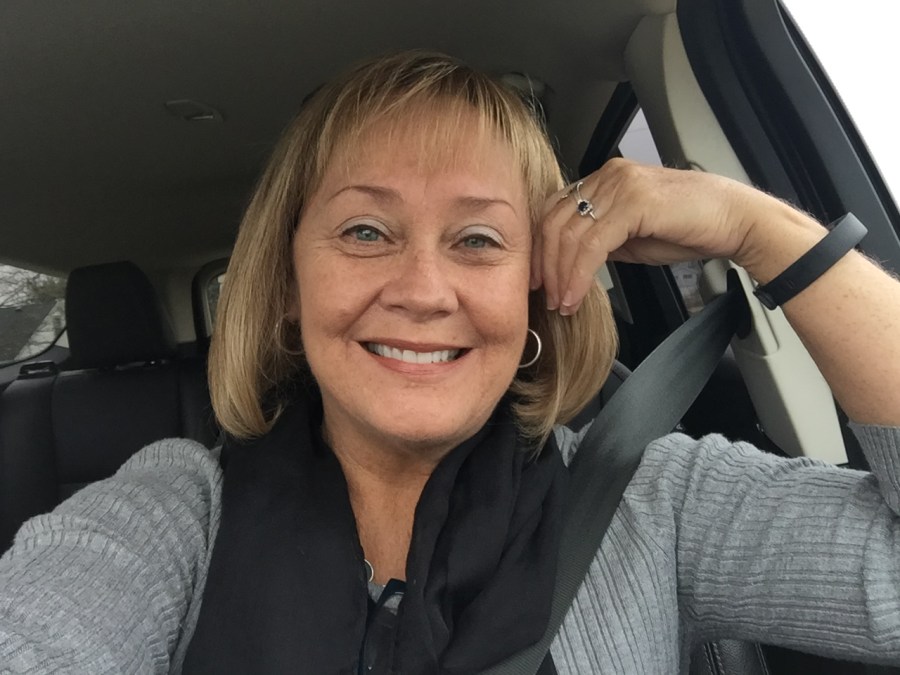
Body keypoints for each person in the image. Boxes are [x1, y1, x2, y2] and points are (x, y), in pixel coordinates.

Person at [2, 49, 900, 674]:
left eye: (478, 239)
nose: (424, 290)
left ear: (539, 286)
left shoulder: (649, 499)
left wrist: (758, 229)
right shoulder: (176, 508)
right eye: (365, 231)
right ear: (286, 285)